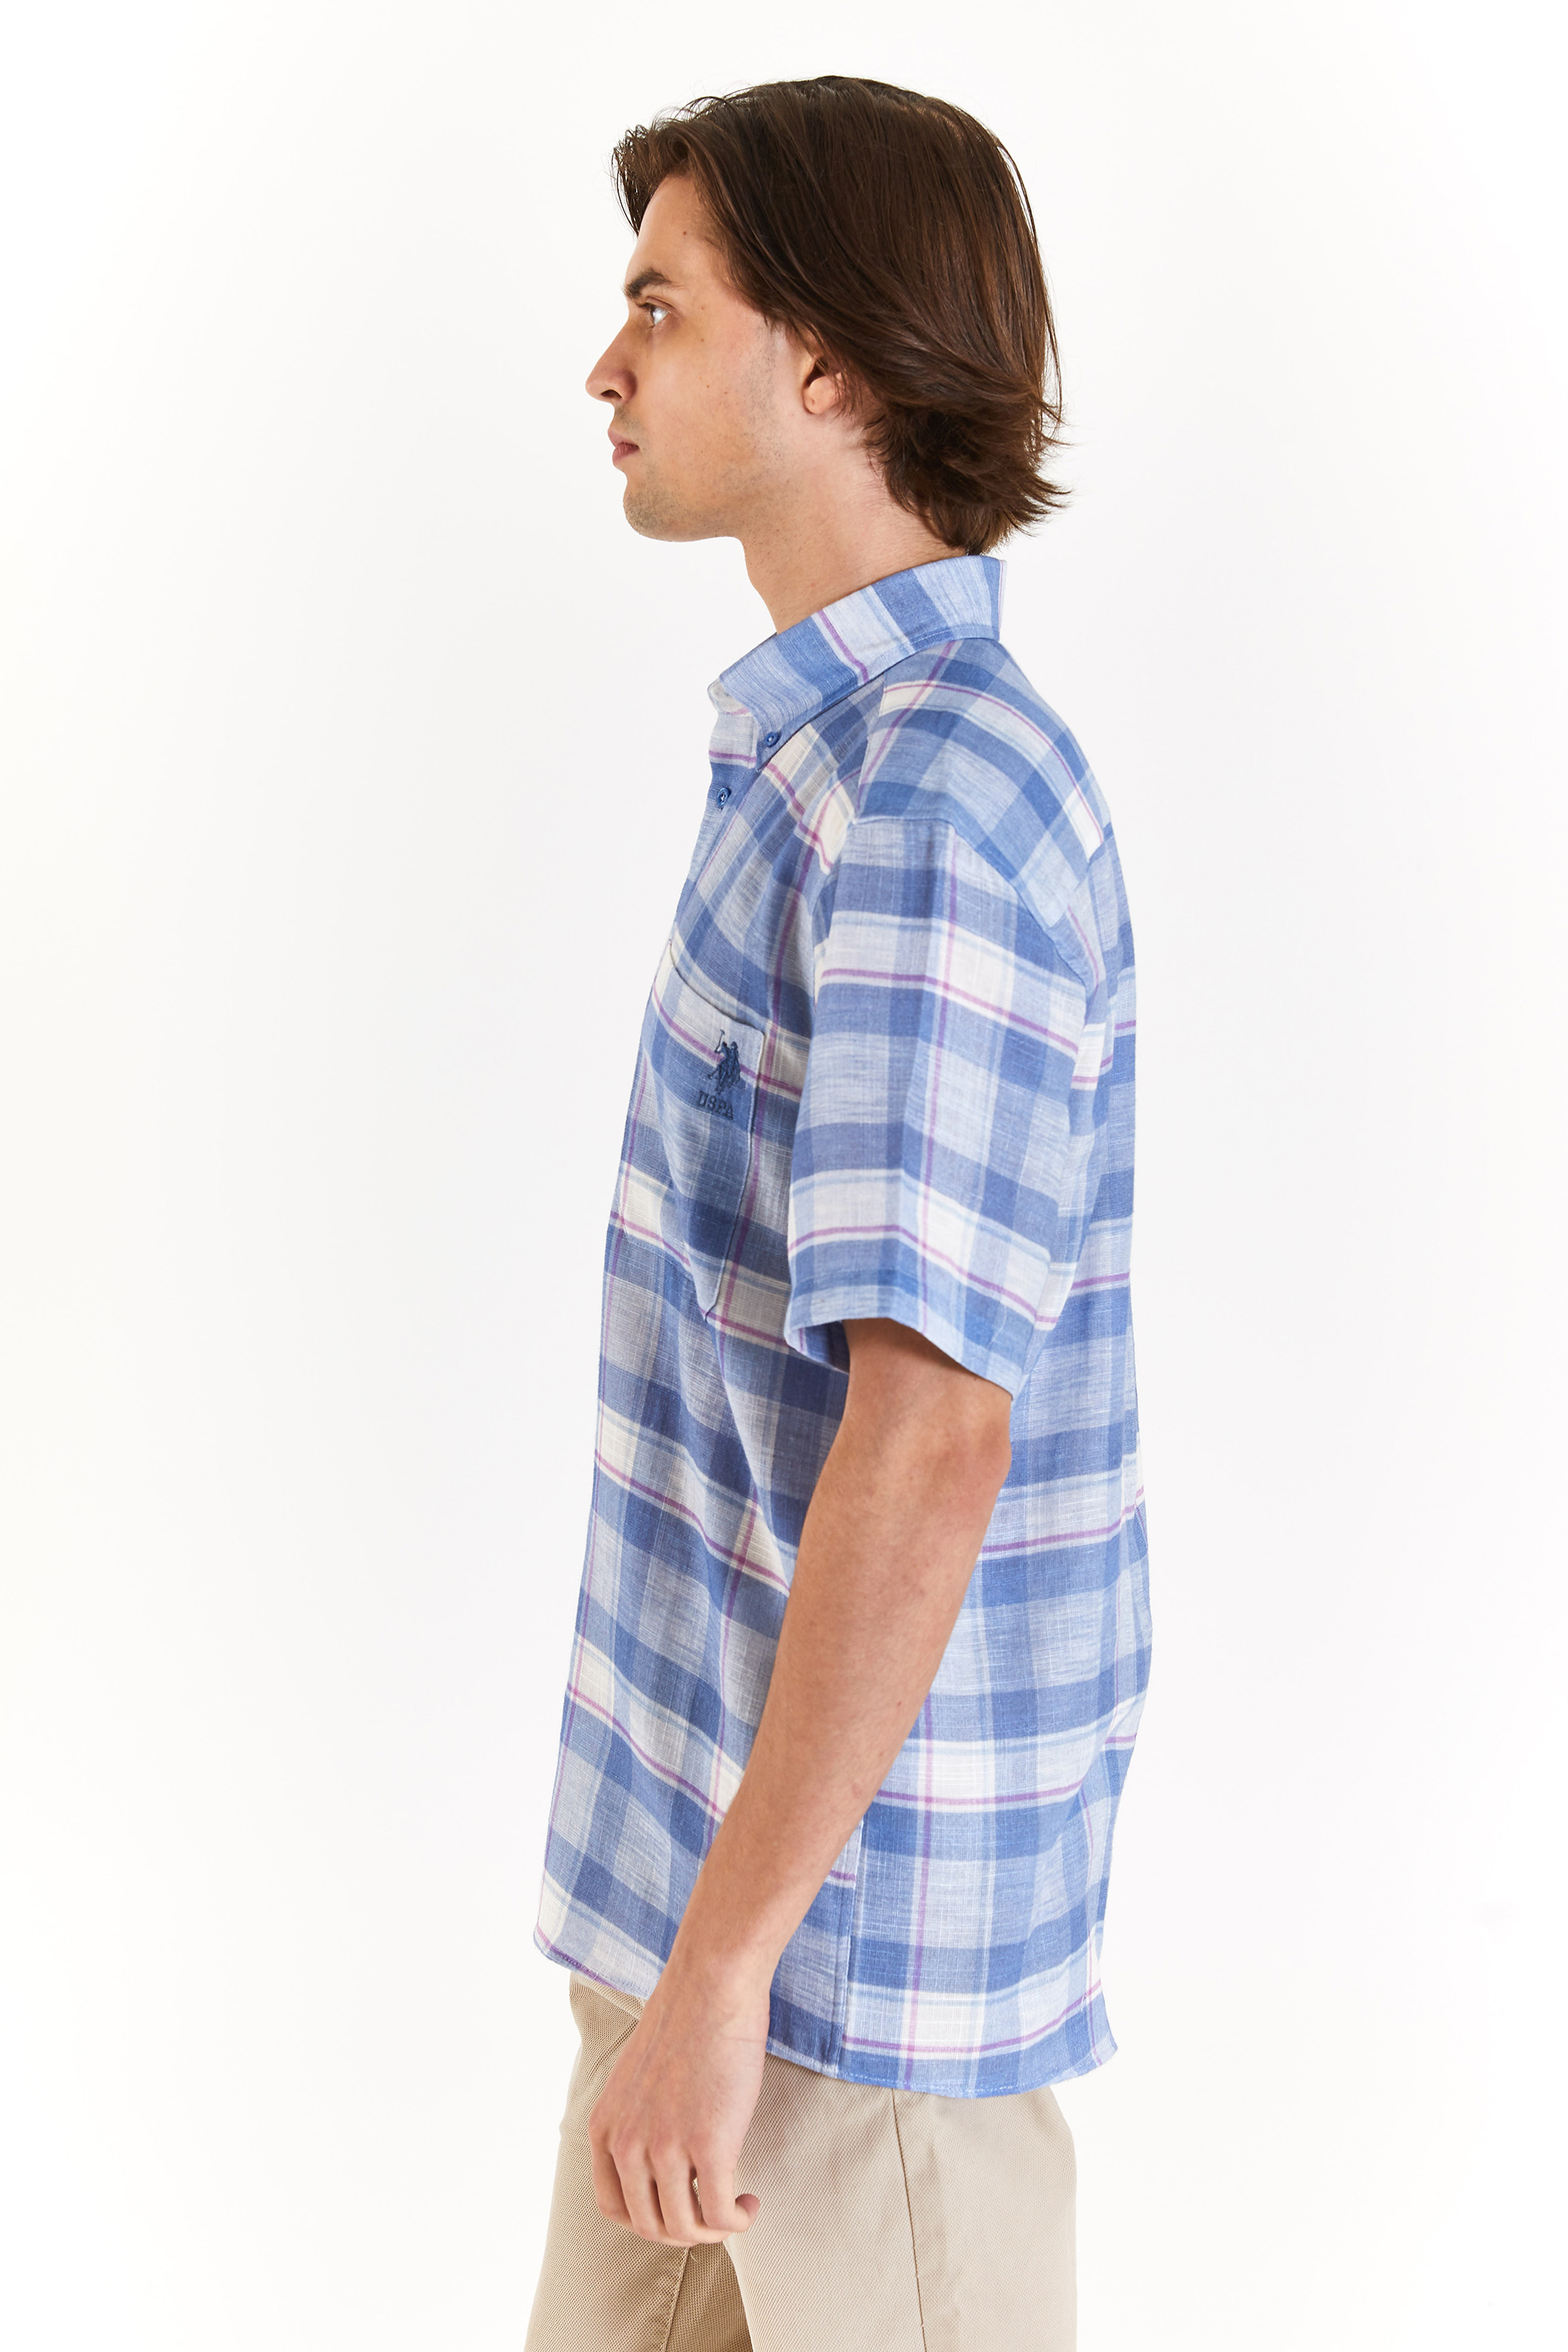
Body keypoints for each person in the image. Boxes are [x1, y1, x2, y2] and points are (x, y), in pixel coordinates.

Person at [525, 77, 1149, 2352]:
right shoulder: (825, 769)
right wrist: (685, 1968)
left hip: (838, 1990)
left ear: (832, 364)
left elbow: (933, 1431)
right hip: (712, 1916)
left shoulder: (930, 800)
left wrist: (727, 1977)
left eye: (660, 308)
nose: (606, 365)